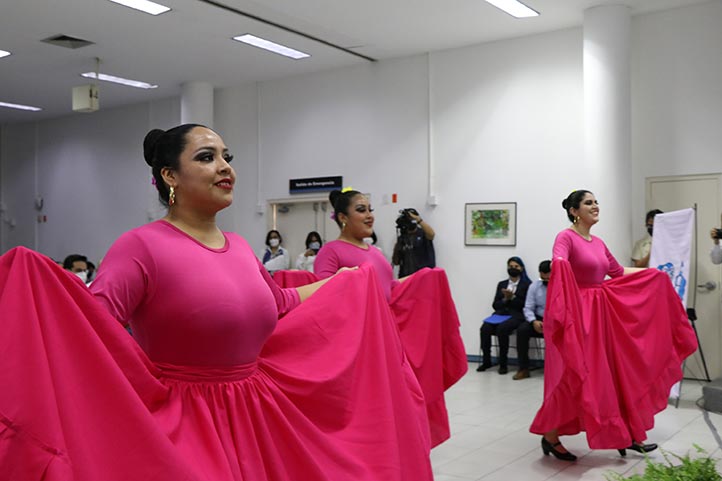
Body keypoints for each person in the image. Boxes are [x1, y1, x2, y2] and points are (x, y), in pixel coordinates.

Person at [0, 124, 434, 481]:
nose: (225, 167)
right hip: (185, 418)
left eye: (227, 156)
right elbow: (94, 323)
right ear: (170, 176)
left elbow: (277, 301)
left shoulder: (241, 246)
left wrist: (343, 283)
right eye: (207, 157)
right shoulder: (141, 247)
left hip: (256, 409)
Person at [530, 190, 697, 462]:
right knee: (575, 373)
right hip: (579, 316)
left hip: (601, 315)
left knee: (615, 373)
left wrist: (654, 274)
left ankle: (626, 434)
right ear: (574, 211)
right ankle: (550, 437)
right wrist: (560, 264)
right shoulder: (566, 237)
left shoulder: (597, 242)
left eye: (596, 202)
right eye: (588, 203)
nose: (595, 206)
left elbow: (618, 273)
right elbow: (558, 260)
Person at [314, 188, 468, 447]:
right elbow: (322, 295)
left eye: (370, 209)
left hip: (387, 340)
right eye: (361, 210)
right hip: (358, 344)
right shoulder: (331, 251)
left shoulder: (373, 252)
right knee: (366, 409)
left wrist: (425, 278)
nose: (369, 215)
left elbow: (389, 289)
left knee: (400, 403)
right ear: (342, 217)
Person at [476, 256, 531, 375]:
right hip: (500, 314)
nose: (513, 269)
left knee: (502, 329)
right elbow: (495, 305)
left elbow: (526, 305)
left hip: (517, 315)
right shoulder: (502, 284)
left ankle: (503, 363)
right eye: (510, 266)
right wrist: (505, 300)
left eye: (516, 267)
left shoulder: (527, 285)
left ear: (521, 268)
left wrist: (513, 298)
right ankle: (486, 361)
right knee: (485, 328)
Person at [513, 260, 551, 380]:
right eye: (543, 278)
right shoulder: (534, 286)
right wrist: (533, 321)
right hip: (538, 319)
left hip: (556, 319)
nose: (545, 281)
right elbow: (528, 307)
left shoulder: (564, 286)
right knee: (522, 330)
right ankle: (523, 368)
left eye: (548, 278)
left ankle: (558, 369)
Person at [392, 208, 436, 277]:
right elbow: (396, 262)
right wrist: (397, 246)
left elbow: (432, 234)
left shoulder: (423, 233)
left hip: (423, 277)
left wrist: (419, 220)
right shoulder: (402, 238)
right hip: (406, 278)